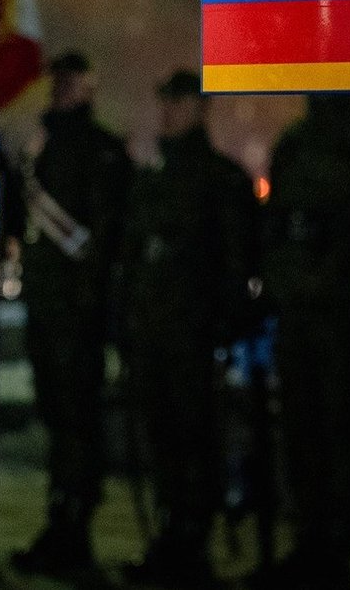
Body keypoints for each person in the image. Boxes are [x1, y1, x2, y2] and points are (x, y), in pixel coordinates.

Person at [256, 94, 350, 590]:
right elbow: (276, 224)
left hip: (344, 314)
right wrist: (275, 287)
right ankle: (310, 542)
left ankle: (335, 551)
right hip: (301, 311)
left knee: (341, 432)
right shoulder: (298, 142)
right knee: (302, 432)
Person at [120, 69, 260, 588]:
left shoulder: (221, 180)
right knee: (162, 442)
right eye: (165, 102)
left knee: (195, 441)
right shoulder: (153, 178)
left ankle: (191, 545)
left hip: (194, 335)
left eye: (178, 102)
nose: (168, 112)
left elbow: (239, 263)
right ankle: (170, 538)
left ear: (201, 109)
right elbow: (134, 256)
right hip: (154, 332)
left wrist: (224, 327)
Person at [8, 49, 134, 578]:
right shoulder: (42, 146)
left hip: (79, 314)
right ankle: (59, 524)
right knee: (57, 421)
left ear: (89, 84)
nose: (61, 87)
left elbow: (106, 238)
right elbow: (21, 219)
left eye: (70, 79)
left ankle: (76, 529)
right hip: (46, 307)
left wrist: (94, 303)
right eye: (56, 79)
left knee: (79, 425)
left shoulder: (102, 151)